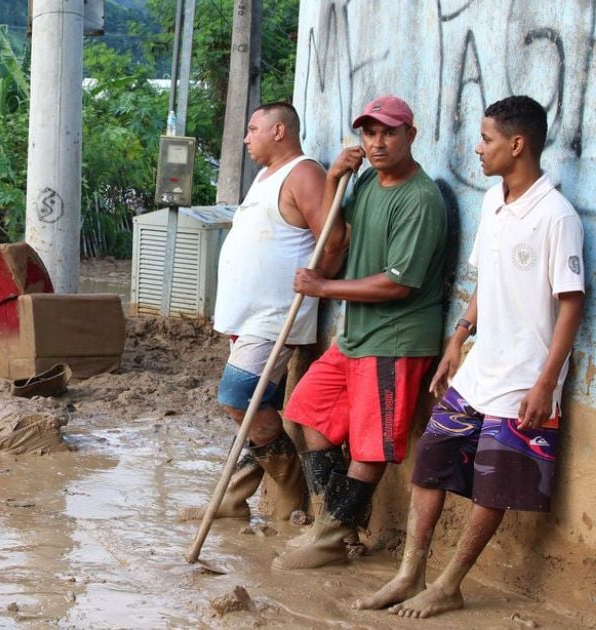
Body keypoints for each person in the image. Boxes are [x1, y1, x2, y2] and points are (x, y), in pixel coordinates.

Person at [353, 95, 584, 618]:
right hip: (479, 369)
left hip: (525, 379)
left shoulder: (556, 216)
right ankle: (410, 572)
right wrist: (460, 337)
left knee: (493, 486)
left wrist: (546, 382)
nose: (477, 149)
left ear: (516, 144)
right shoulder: (492, 201)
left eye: (486, 139)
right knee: (430, 464)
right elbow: (485, 279)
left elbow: (571, 304)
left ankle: (450, 582)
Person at [272, 95, 449, 570]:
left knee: (370, 444)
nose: (377, 142)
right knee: (308, 410)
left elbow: (398, 283)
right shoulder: (367, 179)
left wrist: (323, 285)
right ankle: (334, 520)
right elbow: (338, 235)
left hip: (395, 339)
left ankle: (330, 536)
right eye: (370, 133)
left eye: (389, 132)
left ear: (411, 135)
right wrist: (333, 179)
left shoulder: (420, 199)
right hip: (356, 336)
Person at [179, 102, 328, 523]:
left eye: (252, 129)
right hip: (248, 318)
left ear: (279, 131)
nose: (246, 138)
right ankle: (234, 498)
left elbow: (332, 240)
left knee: (237, 398)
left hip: (274, 315)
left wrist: (321, 284)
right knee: (252, 405)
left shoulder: (303, 172)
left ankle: (292, 489)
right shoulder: (266, 176)